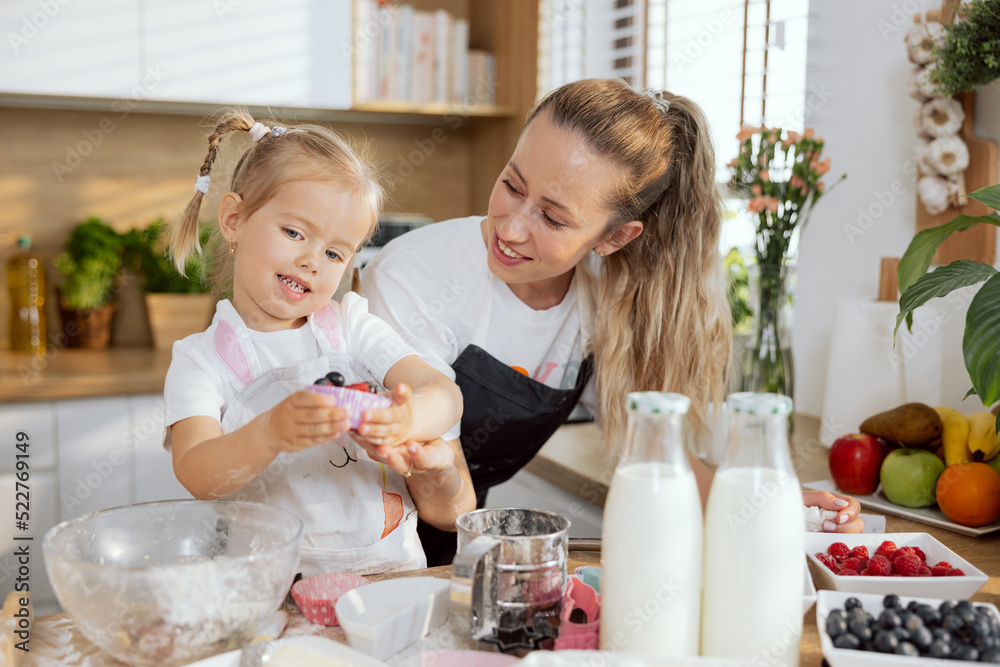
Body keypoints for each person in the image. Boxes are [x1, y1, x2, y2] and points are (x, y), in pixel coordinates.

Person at [362, 79, 862, 565]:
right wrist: (441, 477)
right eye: (512, 185)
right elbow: (442, 502)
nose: (511, 228)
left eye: (553, 219)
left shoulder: (604, 305)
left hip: (453, 542)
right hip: (363, 536)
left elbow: (656, 453)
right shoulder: (416, 275)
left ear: (614, 238)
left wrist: (772, 510)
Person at [162, 111, 475, 575]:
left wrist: (405, 419)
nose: (312, 261)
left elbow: (445, 395)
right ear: (233, 219)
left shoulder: (352, 327)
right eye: (294, 233)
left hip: (392, 581)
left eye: (333, 252)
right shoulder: (201, 361)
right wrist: (270, 432)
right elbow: (196, 472)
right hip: (276, 591)